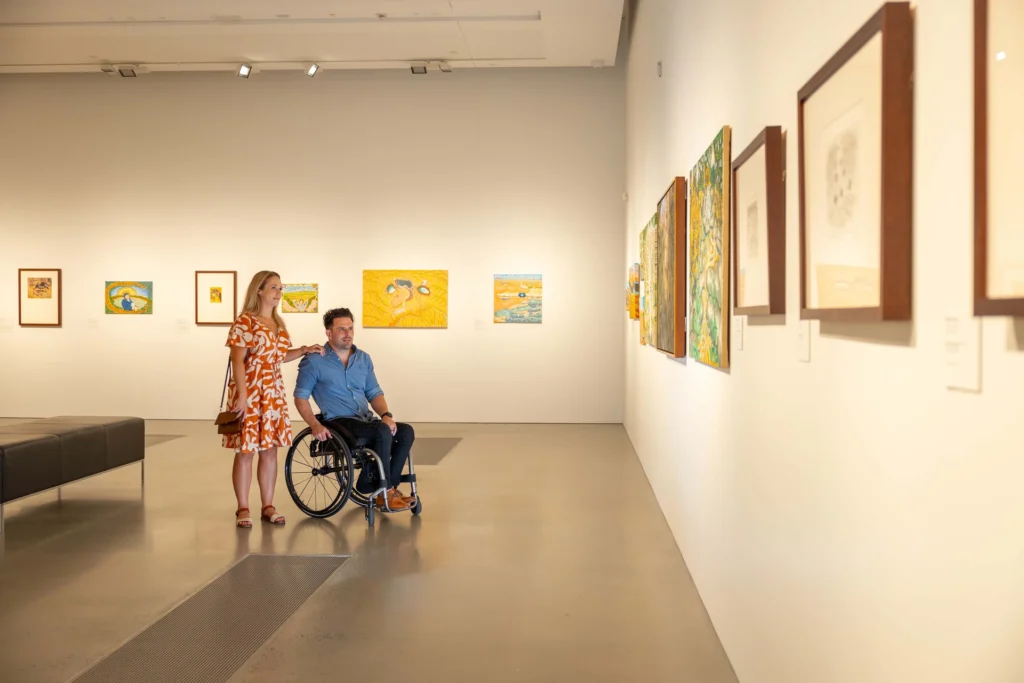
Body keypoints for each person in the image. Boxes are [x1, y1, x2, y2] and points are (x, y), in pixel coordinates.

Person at [224, 270, 324, 528]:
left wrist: (304, 350)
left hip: (273, 392)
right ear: (259, 291)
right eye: (274, 287)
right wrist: (242, 395)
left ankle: (267, 505)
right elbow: (237, 360)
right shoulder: (245, 321)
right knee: (246, 450)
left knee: (270, 450)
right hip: (250, 390)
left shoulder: (278, 323)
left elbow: (277, 357)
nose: (279, 292)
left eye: (281, 288)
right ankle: (243, 507)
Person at [293, 307, 416, 512]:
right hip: (338, 421)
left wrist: (386, 415)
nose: (347, 333)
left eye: (350, 328)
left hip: (364, 419)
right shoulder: (314, 361)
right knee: (381, 431)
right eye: (341, 329)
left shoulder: (363, 359)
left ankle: (384, 485)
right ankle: (385, 491)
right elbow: (300, 397)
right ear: (328, 332)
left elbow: (374, 392)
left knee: (405, 431)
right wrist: (314, 425)